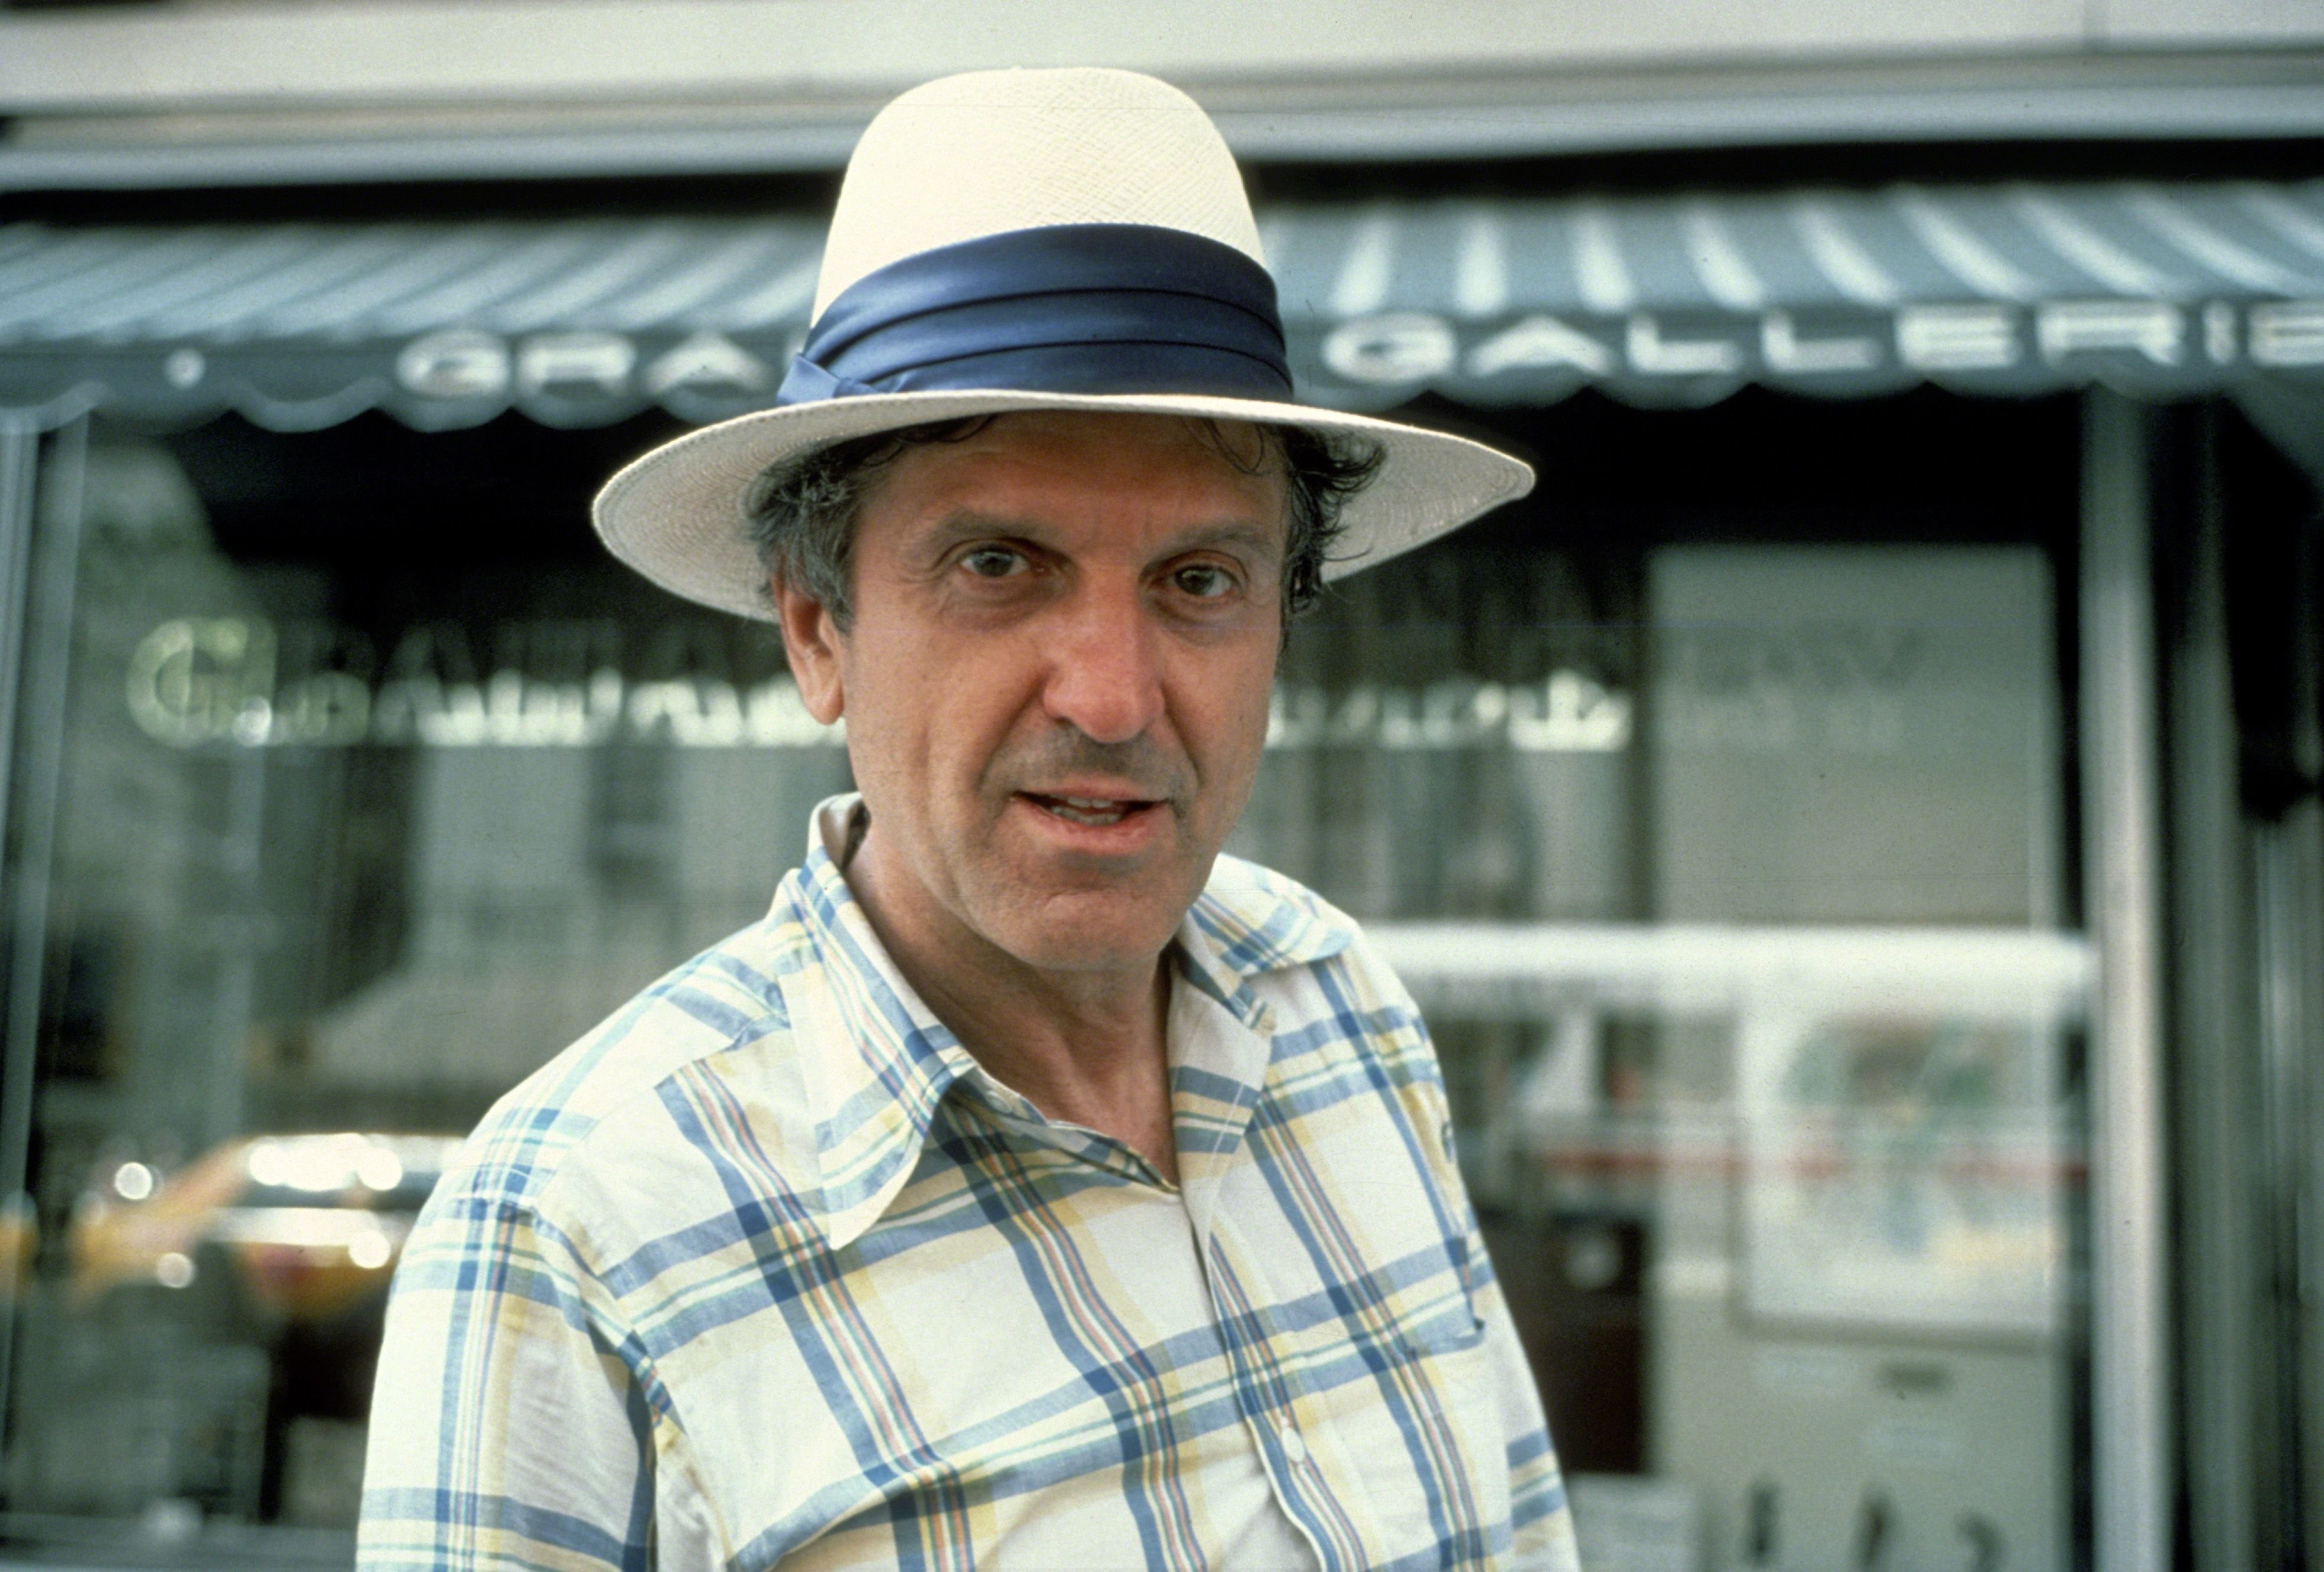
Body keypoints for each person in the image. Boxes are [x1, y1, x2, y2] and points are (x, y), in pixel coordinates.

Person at [359, 66, 1580, 1571]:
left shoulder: (1338, 1009)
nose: (1116, 694)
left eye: (1202, 578)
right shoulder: (579, 1222)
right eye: (999, 564)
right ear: (816, 630)